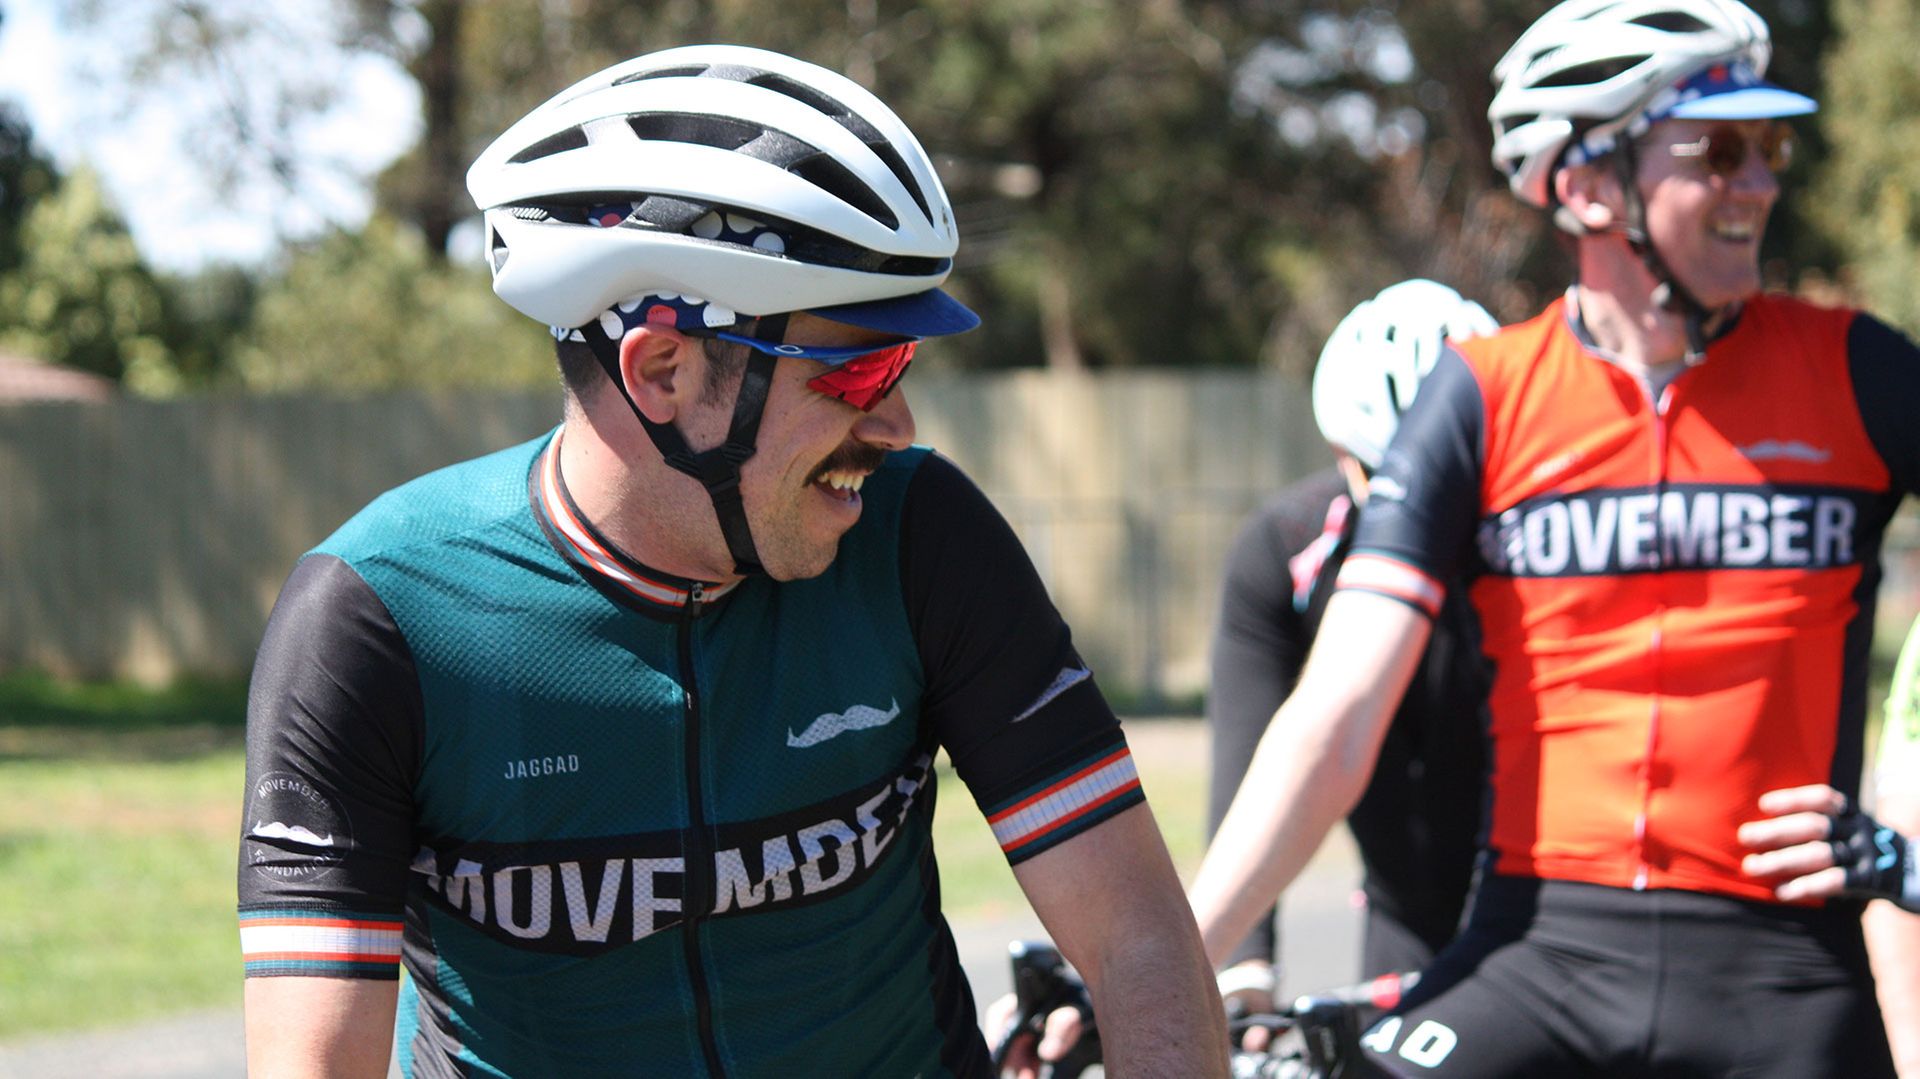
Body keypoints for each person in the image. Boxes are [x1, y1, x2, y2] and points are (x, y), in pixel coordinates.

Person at [236, 45, 1227, 1078]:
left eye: (905, 361)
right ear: (662, 368)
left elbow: (1140, 937)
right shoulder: (378, 618)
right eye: (859, 368)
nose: (897, 422)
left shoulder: (922, 535)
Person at [1190, 1, 1920, 1074]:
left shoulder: (1856, 368)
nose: (1759, 183)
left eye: (1771, 148)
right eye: (1719, 151)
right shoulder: (1482, 397)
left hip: (1782, 967)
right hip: (1540, 948)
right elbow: (1333, 719)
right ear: (1585, 183)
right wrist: (1159, 959)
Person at [1205, 280, 1498, 1024]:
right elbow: (1252, 764)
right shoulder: (1283, 550)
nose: (1420, 522)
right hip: (1401, 920)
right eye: (1389, 486)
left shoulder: (1541, 553)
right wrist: (1242, 967)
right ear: (1344, 455)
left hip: (1544, 915)